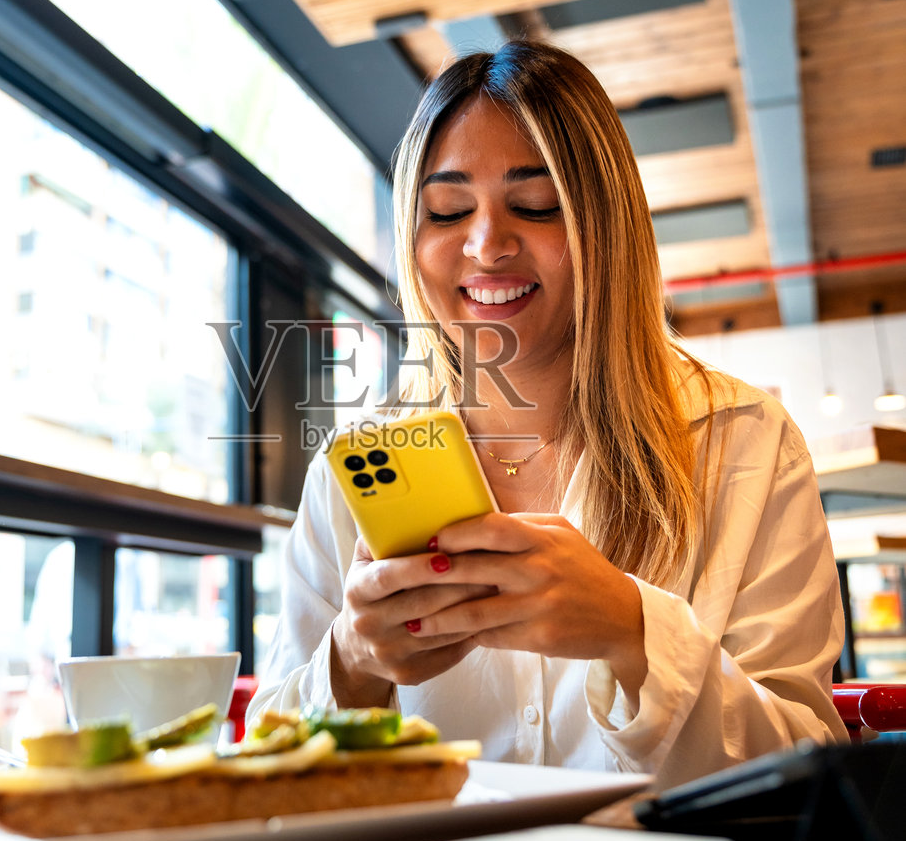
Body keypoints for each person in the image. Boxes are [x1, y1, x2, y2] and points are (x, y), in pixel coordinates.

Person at [252, 41, 846, 787]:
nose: (485, 244)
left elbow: (803, 764)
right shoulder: (354, 469)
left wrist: (633, 632)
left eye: (533, 206)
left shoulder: (743, 442)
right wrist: (352, 663)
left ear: (607, 226)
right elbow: (266, 763)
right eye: (446, 210)